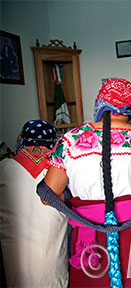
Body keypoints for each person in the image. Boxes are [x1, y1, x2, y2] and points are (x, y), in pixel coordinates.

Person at [37, 78, 131, 287]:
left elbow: (48, 194)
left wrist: (78, 205)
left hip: (93, 237)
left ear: (100, 104)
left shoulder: (71, 141)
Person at [0, 120, 69, 287]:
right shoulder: (64, 172)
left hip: (14, 273)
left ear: (22, 140)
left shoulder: (3, 169)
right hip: (55, 274)